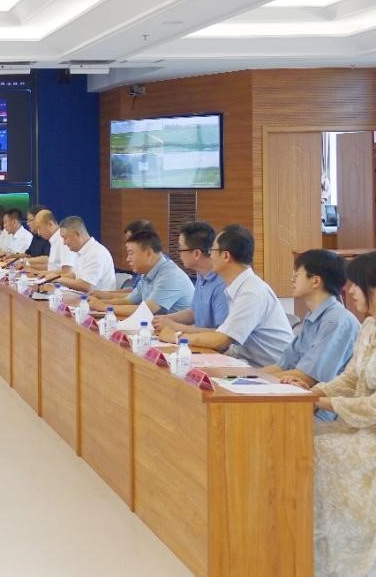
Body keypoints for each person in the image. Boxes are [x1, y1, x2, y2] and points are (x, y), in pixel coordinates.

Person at [305, 252, 376, 576]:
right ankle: (315, 556)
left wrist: (325, 404)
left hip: (369, 434)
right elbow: (350, 378)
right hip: (357, 426)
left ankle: (347, 563)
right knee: (302, 440)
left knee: (316, 450)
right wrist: (314, 393)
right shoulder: (369, 326)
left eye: (357, 284)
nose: (350, 290)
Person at [156, 224, 292, 367]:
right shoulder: (237, 286)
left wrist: (177, 336)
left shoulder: (251, 292)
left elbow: (221, 340)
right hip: (245, 361)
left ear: (226, 256)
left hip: (271, 370)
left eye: (213, 251)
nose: (210, 255)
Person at [264, 250, 359, 419]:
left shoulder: (336, 321)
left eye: (297, 275)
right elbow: (283, 365)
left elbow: (307, 377)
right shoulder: (312, 317)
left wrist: (255, 381)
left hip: (325, 411)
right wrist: (243, 378)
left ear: (315, 281)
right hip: (302, 399)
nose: (292, 279)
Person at [90, 229, 193, 317]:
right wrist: (97, 303)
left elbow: (146, 310)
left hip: (178, 332)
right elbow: (129, 300)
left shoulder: (170, 275)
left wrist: (103, 307)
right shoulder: (147, 272)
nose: (128, 259)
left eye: (131, 253)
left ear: (148, 253)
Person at [153, 221, 229, 334]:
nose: (178, 253)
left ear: (196, 254)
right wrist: (164, 319)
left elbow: (221, 335)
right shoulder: (201, 274)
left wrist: (175, 326)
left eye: (180, 248)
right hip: (198, 341)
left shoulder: (223, 283)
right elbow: (194, 313)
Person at [42, 216, 116, 292]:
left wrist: (58, 279)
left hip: (97, 298)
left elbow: (86, 286)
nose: (64, 243)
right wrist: (54, 277)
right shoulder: (82, 251)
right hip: (83, 296)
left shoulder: (96, 253)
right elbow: (75, 275)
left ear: (77, 234)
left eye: (65, 238)